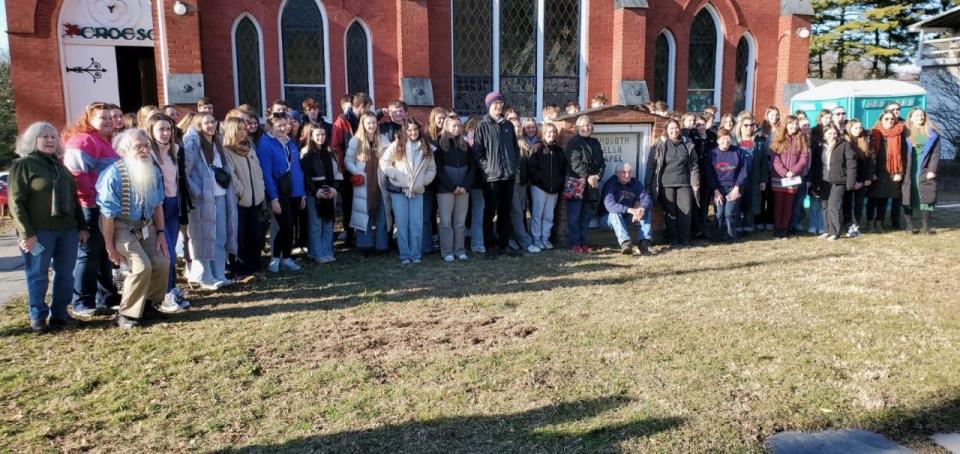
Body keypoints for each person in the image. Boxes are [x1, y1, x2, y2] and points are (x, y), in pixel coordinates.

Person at [9, 123, 88, 333]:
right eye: (44, 137)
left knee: (65, 273)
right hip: (39, 232)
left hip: (67, 230)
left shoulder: (60, 166)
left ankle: (60, 315)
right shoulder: (24, 165)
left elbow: (74, 199)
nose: (50, 140)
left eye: (53, 137)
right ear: (32, 140)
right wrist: (26, 233)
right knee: (38, 273)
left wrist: (82, 226)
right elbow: (16, 203)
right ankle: (38, 317)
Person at [97, 129, 169, 329]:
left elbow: (158, 205)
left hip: (147, 226)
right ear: (124, 150)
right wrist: (109, 246)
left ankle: (147, 305)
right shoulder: (112, 175)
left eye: (146, 145)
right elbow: (107, 216)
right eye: (139, 146)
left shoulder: (153, 171)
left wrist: (161, 233)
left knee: (162, 262)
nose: (145, 150)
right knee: (140, 266)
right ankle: (127, 313)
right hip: (121, 227)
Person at [62, 102, 120, 317]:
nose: (107, 121)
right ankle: (82, 301)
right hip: (91, 207)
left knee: (105, 252)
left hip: (107, 207)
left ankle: (107, 296)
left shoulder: (108, 140)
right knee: (88, 254)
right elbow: (76, 174)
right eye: (102, 117)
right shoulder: (83, 140)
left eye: (110, 117)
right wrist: (90, 200)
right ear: (89, 119)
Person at [183, 113, 238, 289]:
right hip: (202, 199)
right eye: (206, 123)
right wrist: (196, 191)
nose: (211, 125)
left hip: (221, 195)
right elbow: (184, 172)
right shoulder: (192, 144)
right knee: (203, 238)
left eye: (213, 122)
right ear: (199, 124)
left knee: (220, 236)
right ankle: (205, 277)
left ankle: (219, 274)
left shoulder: (218, 142)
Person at [141, 113, 190, 310]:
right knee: (166, 252)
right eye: (160, 129)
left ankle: (171, 288)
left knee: (169, 252)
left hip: (174, 204)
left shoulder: (174, 150)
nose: (165, 133)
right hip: (158, 207)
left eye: (168, 129)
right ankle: (164, 294)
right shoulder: (147, 154)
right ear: (151, 131)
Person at [380, 118, 437, 264]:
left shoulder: (426, 147)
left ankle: (416, 254)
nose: (413, 132)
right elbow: (384, 163)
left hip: (417, 191)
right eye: (409, 130)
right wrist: (397, 176)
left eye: (415, 129)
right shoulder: (397, 145)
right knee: (402, 223)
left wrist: (423, 181)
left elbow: (432, 168)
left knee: (416, 224)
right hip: (399, 191)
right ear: (405, 131)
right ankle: (405, 255)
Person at [258, 112, 305, 272]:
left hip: (295, 191)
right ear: (271, 127)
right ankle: (276, 258)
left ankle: (287, 257)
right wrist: (273, 198)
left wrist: (302, 193)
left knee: (291, 227)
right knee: (285, 226)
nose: (284, 128)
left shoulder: (289, 143)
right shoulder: (265, 144)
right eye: (279, 126)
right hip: (280, 193)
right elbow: (267, 173)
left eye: (286, 125)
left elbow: (297, 169)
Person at [475, 92, 520, 258]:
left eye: (500, 104)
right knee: (489, 212)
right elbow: (478, 153)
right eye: (495, 104)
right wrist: (488, 170)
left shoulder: (507, 125)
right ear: (489, 106)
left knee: (505, 212)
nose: (498, 107)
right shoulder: (482, 126)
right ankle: (489, 245)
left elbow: (515, 149)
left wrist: (513, 166)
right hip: (491, 178)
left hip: (508, 177)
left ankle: (504, 244)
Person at [222, 116, 266, 276]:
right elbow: (231, 176)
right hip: (240, 201)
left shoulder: (250, 149)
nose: (243, 132)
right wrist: (241, 192)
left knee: (255, 235)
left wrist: (260, 189)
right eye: (239, 129)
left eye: (244, 128)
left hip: (256, 199)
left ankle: (254, 267)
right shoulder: (226, 151)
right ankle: (239, 269)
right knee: (239, 237)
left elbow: (258, 171)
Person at [646, 118, 699, 248]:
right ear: (666, 130)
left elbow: (694, 164)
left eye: (676, 128)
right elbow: (651, 166)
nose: (674, 131)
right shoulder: (659, 145)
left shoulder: (687, 143)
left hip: (684, 183)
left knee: (686, 211)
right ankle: (673, 241)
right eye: (671, 128)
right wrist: (648, 185)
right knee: (671, 213)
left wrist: (695, 181)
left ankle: (684, 240)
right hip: (666, 184)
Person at [346, 112, 391, 254]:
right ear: (363, 124)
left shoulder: (383, 139)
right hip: (364, 182)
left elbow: (391, 158)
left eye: (374, 122)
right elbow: (348, 161)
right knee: (363, 214)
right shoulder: (356, 141)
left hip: (380, 181)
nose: (372, 125)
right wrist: (357, 173)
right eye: (368, 123)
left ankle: (381, 245)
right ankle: (365, 245)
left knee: (382, 213)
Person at [434, 114, 475, 261]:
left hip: (463, 189)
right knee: (446, 222)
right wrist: (452, 186)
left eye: (459, 126)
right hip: (446, 189)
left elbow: (472, 168)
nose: (457, 129)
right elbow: (438, 169)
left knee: (459, 222)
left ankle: (460, 250)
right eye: (454, 126)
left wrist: (465, 186)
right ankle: (447, 251)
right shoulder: (440, 145)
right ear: (447, 127)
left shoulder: (465, 146)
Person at [301, 122, 343, 263]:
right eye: (317, 135)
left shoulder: (330, 154)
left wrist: (334, 189)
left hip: (329, 191)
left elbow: (338, 174)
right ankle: (317, 253)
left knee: (328, 223)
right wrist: (315, 191)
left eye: (323, 134)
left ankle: (327, 251)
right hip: (315, 193)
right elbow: (305, 177)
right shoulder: (307, 155)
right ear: (311, 136)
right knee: (316, 224)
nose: (321, 137)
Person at [565, 115, 606, 253]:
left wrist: (598, 176)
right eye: (582, 125)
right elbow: (575, 163)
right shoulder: (574, 142)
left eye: (588, 125)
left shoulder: (595, 142)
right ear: (577, 128)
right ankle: (575, 243)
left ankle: (583, 242)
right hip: (577, 183)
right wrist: (589, 176)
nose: (585, 127)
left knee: (586, 215)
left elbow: (602, 162)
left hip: (592, 185)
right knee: (574, 216)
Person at [809, 126, 856, 241]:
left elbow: (851, 164)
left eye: (834, 133)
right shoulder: (821, 147)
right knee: (825, 205)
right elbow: (816, 166)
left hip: (839, 180)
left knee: (834, 205)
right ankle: (827, 230)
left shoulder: (844, 145)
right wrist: (814, 183)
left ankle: (835, 232)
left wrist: (851, 181)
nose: (832, 136)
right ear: (824, 135)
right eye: (829, 133)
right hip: (824, 180)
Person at [867, 110, 909, 232]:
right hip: (876, 169)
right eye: (886, 119)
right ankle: (870, 223)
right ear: (881, 119)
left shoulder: (899, 133)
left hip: (891, 171)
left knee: (884, 198)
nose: (890, 121)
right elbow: (868, 154)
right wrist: (870, 173)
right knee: (872, 198)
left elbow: (903, 155)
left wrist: (900, 173)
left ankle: (879, 222)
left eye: (892, 119)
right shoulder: (874, 132)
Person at [768, 115, 810, 239]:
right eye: (790, 123)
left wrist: (793, 171)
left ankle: (785, 229)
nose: (793, 126)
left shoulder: (802, 138)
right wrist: (785, 172)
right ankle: (778, 229)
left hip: (793, 178)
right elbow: (775, 159)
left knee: (788, 205)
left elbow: (804, 159)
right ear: (786, 125)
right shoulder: (778, 138)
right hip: (779, 178)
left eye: (795, 124)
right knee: (779, 204)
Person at [527, 122, 565, 251]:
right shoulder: (537, 148)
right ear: (543, 133)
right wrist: (541, 180)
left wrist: (558, 182)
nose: (552, 134)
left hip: (554, 189)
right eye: (549, 132)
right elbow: (532, 168)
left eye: (554, 132)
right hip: (539, 187)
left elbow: (562, 170)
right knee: (537, 215)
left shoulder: (559, 151)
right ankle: (536, 239)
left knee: (549, 216)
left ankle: (545, 238)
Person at [904, 107, 941, 234]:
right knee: (909, 193)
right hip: (909, 166)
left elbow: (936, 154)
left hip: (925, 166)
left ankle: (926, 226)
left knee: (928, 192)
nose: (920, 118)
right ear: (911, 118)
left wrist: (932, 170)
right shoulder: (905, 132)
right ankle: (910, 226)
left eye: (922, 115)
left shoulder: (933, 133)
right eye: (916, 116)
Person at [707, 129, 748, 242]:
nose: (725, 141)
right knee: (719, 213)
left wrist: (736, 188)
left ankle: (731, 236)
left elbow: (743, 171)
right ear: (718, 140)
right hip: (718, 188)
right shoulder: (712, 153)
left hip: (733, 188)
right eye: (722, 138)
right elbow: (709, 173)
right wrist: (715, 191)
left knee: (729, 213)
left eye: (728, 138)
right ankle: (718, 236)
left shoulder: (737, 152)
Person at [603, 162, 653, 255]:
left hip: (627, 218)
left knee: (646, 211)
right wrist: (630, 210)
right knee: (614, 213)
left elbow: (646, 197)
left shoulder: (634, 183)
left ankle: (644, 242)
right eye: (624, 172)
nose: (627, 175)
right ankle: (625, 243)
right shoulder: (611, 184)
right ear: (617, 173)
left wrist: (641, 209)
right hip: (607, 219)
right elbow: (609, 205)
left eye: (629, 172)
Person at [509, 117, 539, 253]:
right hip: (511, 182)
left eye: (518, 127)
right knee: (515, 211)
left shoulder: (524, 144)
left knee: (520, 211)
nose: (516, 130)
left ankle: (514, 238)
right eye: (513, 127)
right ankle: (525, 242)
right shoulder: (507, 143)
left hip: (522, 183)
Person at [842, 120, 876, 237]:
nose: (858, 130)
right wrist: (852, 180)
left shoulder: (866, 140)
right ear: (849, 129)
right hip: (849, 178)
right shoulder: (844, 141)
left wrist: (868, 177)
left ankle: (856, 225)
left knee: (859, 203)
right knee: (847, 202)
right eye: (855, 128)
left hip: (862, 178)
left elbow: (871, 160)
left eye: (860, 128)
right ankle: (848, 225)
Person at [463, 115, 487, 254]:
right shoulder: (479, 141)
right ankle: (477, 243)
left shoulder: (464, 141)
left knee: (464, 213)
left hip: (464, 182)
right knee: (478, 212)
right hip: (478, 182)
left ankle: (465, 239)